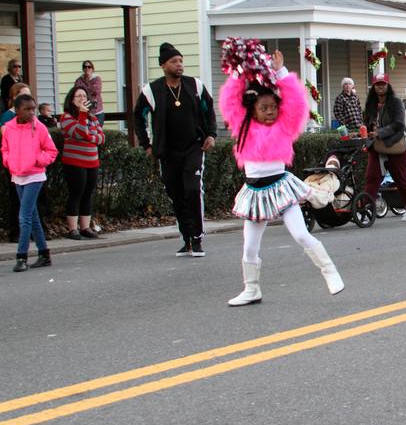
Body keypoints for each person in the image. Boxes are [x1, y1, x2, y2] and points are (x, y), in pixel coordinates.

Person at [219, 50, 344, 306]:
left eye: (273, 108)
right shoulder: (244, 127)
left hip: (281, 187)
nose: (270, 112)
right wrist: (239, 71)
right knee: (249, 247)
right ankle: (251, 288)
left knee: (299, 234)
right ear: (251, 111)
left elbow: (297, 104)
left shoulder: (283, 126)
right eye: (263, 108)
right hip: (254, 192)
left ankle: (330, 271)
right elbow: (231, 101)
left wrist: (281, 73)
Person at [133, 42, 217, 257]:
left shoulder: (195, 86)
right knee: (176, 193)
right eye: (174, 61)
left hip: (194, 147)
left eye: (180, 61)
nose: (179, 65)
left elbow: (209, 111)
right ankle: (186, 238)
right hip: (168, 151)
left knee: (192, 189)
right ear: (163, 66)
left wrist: (211, 134)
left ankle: (197, 237)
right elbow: (138, 117)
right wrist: (146, 145)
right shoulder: (151, 91)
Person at [2, 94, 59, 271]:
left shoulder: (40, 127)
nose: (31, 112)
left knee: (24, 215)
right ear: (17, 110)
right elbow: (5, 148)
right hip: (17, 175)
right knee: (32, 216)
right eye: (27, 109)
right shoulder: (9, 128)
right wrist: (8, 161)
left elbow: (51, 151)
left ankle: (21, 257)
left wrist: (37, 160)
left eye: (33, 109)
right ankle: (44, 254)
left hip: (35, 175)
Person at [362, 73, 406, 222]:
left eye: (383, 84)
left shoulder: (396, 102)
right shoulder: (370, 104)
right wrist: (366, 131)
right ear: (373, 86)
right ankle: (366, 210)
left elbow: (398, 124)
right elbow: (367, 123)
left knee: (400, 178)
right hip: (376, 146)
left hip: (394, 144)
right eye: (377, 84)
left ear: (388, 85)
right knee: (371, 178)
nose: (380, 86)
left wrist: (380, 132)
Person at [60, 86, 105, 240]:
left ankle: (85, 227)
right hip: (74, 162)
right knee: (76, 194)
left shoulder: (92, 118)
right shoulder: (66, 117)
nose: (82, 98)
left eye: (84, 96)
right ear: (72, 100)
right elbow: (79, 133)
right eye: (78, 96)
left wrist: (89, 138)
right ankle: (73, 229)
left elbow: (101, 137)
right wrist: (82, 115)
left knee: (88, 194)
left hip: (92, 161)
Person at [2, 82, 31, 242]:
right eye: (22, 95)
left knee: (31, 199)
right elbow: (7, 138)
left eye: (28, 94)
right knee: (17, 197)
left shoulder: (30, 115)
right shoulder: (9, 116)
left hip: (30, 164)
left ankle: (33, 229)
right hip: (15, 163)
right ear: (14, 97)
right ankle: (16, 231)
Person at [73, 60, 105, 125]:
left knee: (97, 132)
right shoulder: (79, 80)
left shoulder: (97, 79)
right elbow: (76, 92)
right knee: (86, 132)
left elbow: (96, 91)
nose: (87, 68)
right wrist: (88, 91)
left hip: (97, 112)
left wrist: (83, 90)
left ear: (92, 69)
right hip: (84, 112)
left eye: (89, 67)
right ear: (83, 69)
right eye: (85, 67)